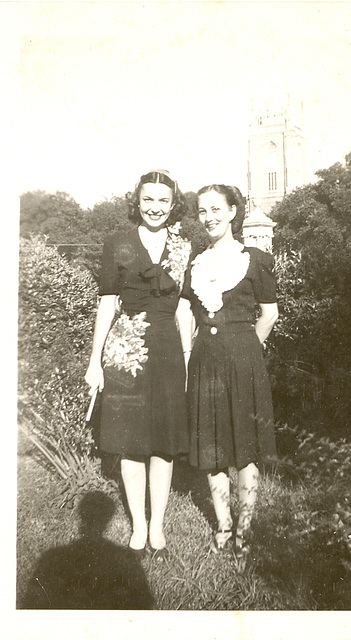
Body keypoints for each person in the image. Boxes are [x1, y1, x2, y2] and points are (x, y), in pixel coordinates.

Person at [85, 170, 191, 560]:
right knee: (131, 443)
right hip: (126, 352)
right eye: (149, 200)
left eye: (164, 201)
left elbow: (184, 308)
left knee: (162, 443)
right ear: (138, 201)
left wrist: (187, 356)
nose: (156, 208)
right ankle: (138, 528)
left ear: (173, 203)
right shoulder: (119, 243)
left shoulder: (184, 246)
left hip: (166, 352)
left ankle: (158, 527)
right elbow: (107, 303)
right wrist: (94, 361)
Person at [178, 184, 279, 559]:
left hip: (244, 359)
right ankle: (223, 525)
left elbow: (269, 314)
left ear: (234, 211)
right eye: (203, 211)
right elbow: (187, 311)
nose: (209, 217)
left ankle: (244, 530)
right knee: (212, 446)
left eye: (217, 209)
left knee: (247, 448)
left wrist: (247, 349)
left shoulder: (255, 260)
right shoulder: (196, 264)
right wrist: (190, 351)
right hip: (205, 358)